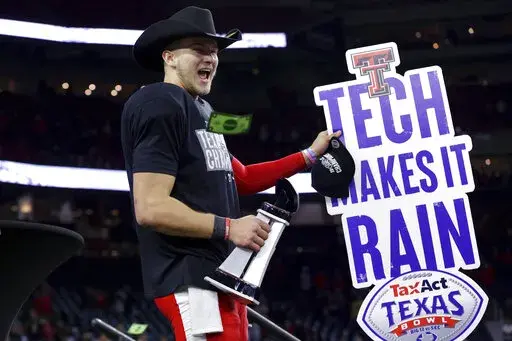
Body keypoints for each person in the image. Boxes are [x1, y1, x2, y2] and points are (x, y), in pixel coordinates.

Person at [121, 6, 341, 341]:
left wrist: (308, 155)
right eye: (198, 49)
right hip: (188, 276)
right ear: (169, 57)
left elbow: (241, 177)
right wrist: (229, 227)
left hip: (216, 275)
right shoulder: (160, 101)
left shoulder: (201, 110)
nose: (210, 58)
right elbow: (150, 207)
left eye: (214, 51)